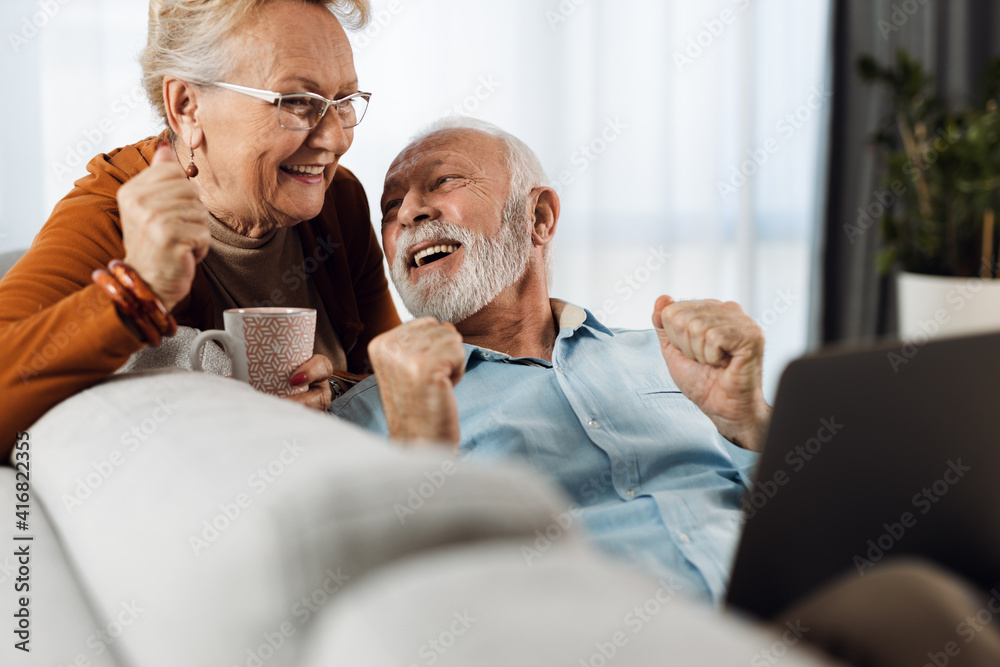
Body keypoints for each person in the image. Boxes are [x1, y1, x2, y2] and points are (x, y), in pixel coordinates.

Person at [331, 117, 1000, 666]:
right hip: (602, 642)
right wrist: (422, 444)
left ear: (538, 216)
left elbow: (829, 528)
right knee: (917, 605)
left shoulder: (671, 355)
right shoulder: (373, 409)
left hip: (782, 621)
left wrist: (748, 418)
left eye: (441, 182)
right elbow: (388, 609)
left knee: (931, 588)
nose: (410, 212)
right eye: (391, 210)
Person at [0, 0, 400, 456]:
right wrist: (139, 293)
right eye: (297, 102)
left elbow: (390, 373)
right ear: (187, 106)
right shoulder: (112, 214)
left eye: (344, 102)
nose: (336, 138)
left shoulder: (338, 200)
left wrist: (334, 389)